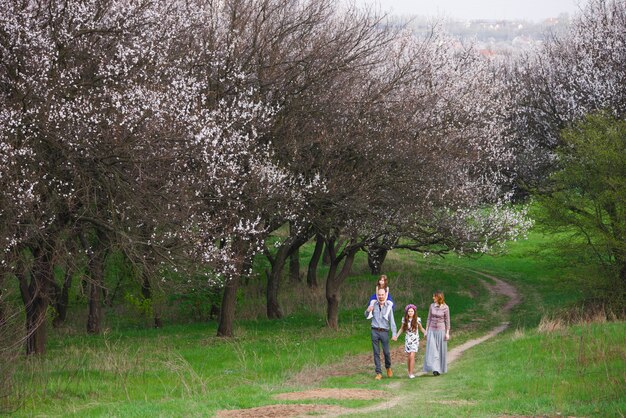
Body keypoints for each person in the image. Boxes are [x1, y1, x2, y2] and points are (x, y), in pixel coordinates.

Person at [366, 287, 397, 380]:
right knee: (376, 352)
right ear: (377, 295)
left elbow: (392, 321)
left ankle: (388, 367)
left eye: (382, 295)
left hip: (384, 331)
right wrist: (368, 310)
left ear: (385, 295)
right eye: (379, 295)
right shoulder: (373, 304)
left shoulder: (388, 307)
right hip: (374, 330)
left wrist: (394, 333)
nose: (381, 296)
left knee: (386, 352)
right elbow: (366, 315)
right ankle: (378, 372)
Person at [394, 304, 426, 378]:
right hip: (408, 340)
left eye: (412, 311)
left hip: (415, 340)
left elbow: (421, 328)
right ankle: (409, 372)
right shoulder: (404, 319)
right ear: (407, 312)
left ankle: (411, 373)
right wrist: (396, 336)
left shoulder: (418, 319)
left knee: (412, 356)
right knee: (409, 357)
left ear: (414, 312)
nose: (410, 312)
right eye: (409, 311)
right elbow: (401, 329)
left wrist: (425, 333)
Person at [423, 290, 450, 376]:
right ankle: (434, 369)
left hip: (441, 331)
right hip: (431, 330)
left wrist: (447, 333)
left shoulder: (446, 307)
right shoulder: (431, 306)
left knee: (439, 350)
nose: (433, 298)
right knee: (432, 350)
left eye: (434, 296)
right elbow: (429, 318)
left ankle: (438, 369)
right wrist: (426, 330)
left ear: (439, 297)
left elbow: (447, 321)